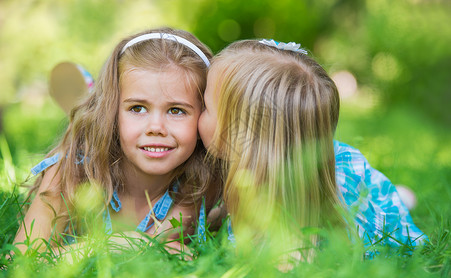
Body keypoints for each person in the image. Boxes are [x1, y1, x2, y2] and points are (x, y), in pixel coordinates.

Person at [198, 39, 426, 258]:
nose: (198, 111)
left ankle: (401, 197)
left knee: (387, 202)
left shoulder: (290, 221)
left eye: (205, 106)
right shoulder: (248, 169)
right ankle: (402, 194)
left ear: (234, 134)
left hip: (358, 192)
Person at [13, 27, 214, 257]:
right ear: (112, 113)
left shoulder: (203, 179)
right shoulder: (70, 173)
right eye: (137, 108)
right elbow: (19, 262)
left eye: (176, 110)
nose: (156, 128)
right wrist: (118, 243)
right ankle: (87, 108)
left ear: (204, 116)